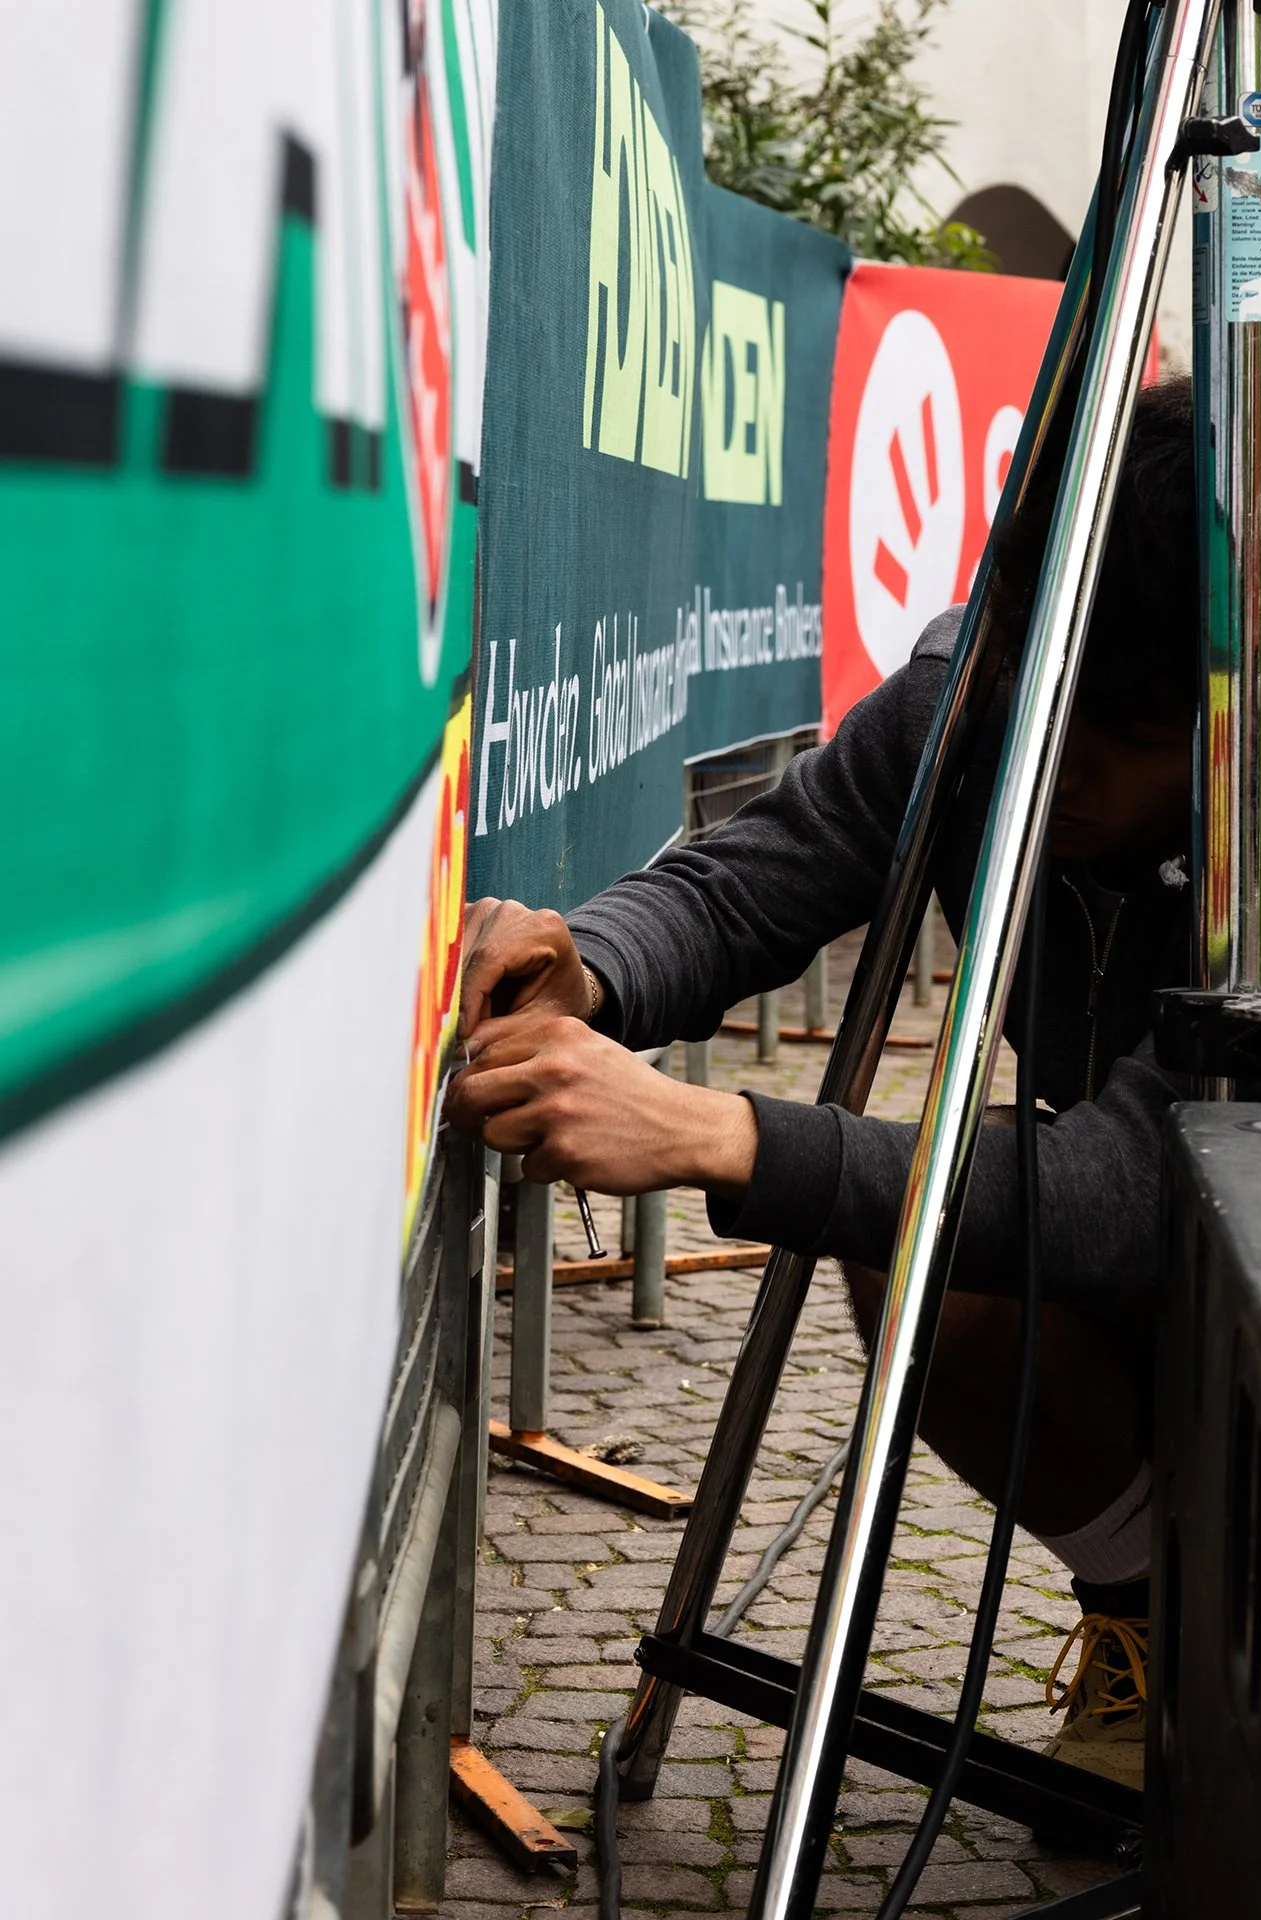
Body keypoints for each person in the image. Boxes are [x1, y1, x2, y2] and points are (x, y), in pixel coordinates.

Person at [445, 376, 1198, 1789]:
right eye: (1052, 705)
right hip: (1152, 1250)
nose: (1065, 769)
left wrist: (716, 1130)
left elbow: (1132, 1190)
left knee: (951, 1197)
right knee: (922, 1255)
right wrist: (585, 961)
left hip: (1230, 1247)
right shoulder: (977, 703)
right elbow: (752, 882)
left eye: (1127, 740)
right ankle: (1142, 1605)